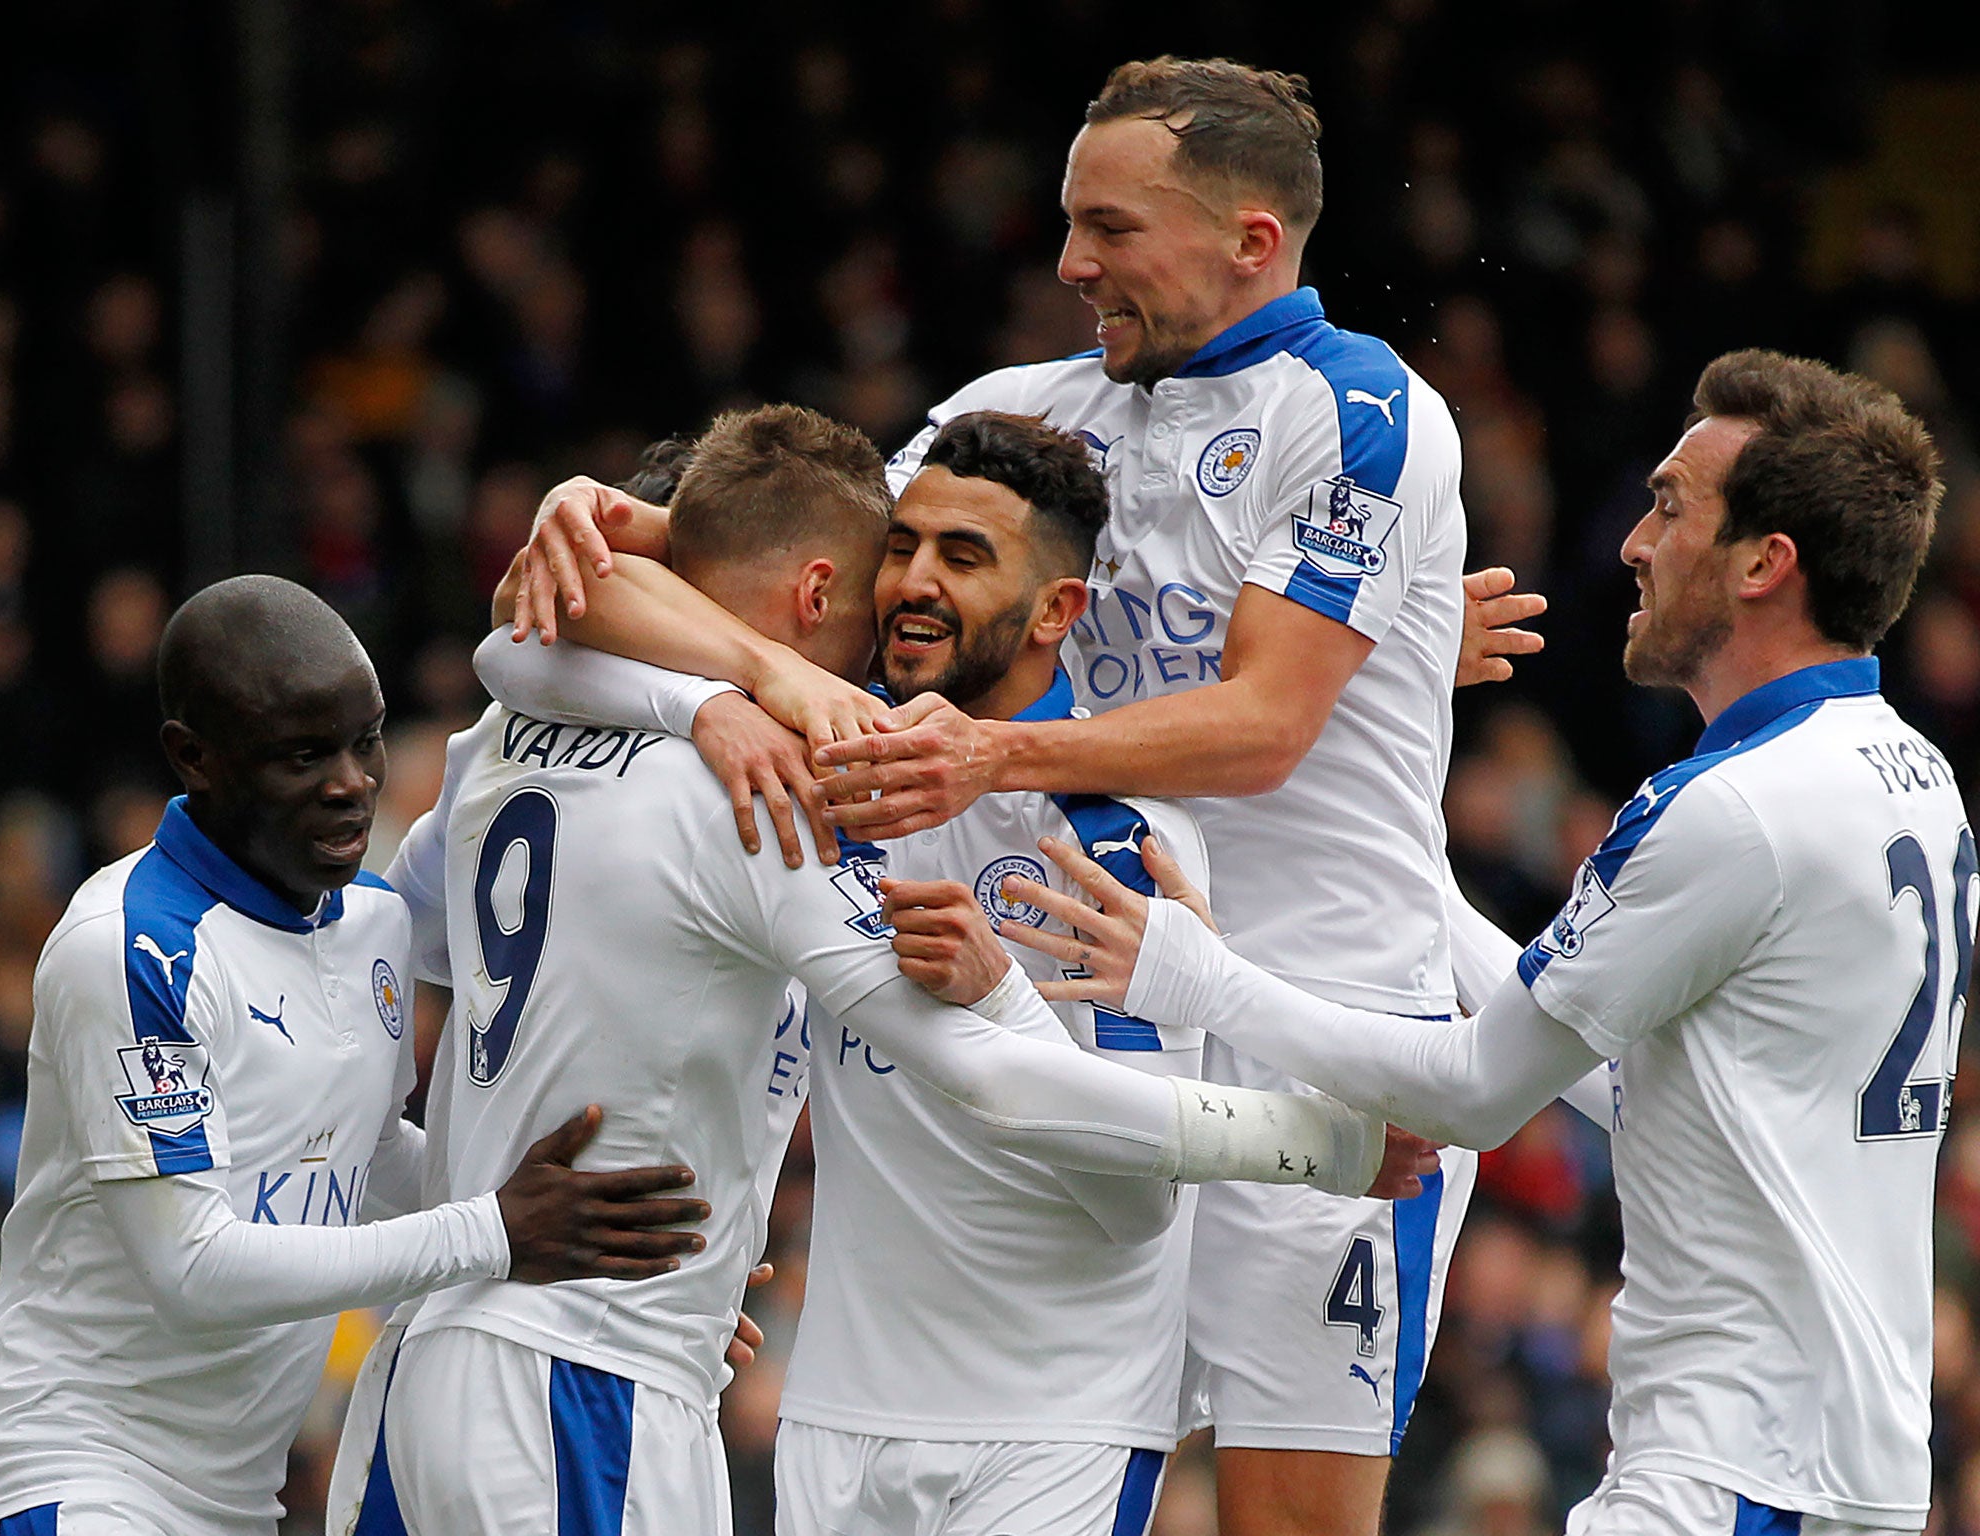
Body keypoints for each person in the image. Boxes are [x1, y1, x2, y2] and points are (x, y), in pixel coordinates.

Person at [506, 57, 1541, 1536]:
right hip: (1058, 1000)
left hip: (1311, 1032)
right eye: (1070, 223)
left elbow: (1260, 727)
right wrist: (736, 665)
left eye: (1113, 228)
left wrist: (993, 754)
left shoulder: (1367, 411)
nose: (1071, 263)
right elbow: (688, 577)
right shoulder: (1020, 416)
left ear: (1252, 240)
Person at [345, 405, 1412, 1536]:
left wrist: (472, 1226)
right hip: (614, 1380)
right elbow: (997, 1079)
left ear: (1056, 608)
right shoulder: (779, 787)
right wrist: (1326, 1142)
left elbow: (515, 647)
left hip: (1026, 1429)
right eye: (892, 555)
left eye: (959, 556)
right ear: (816, 591)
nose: (903, 589)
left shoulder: (517, 733)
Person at [1009, 350, 1952, 1536]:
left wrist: (1197, 975)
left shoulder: (1726, 812)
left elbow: (1470, 1091)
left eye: (1668, 508)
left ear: (1764, 565)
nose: (1631, 542)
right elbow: (1645, 1080)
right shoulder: (1907, 774)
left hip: (1732, 1472)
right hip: (1843, 1461)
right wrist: (1381, 722)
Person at [0, 575, 715, 1536]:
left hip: (238, 1496)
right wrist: (498, 1231)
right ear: (195, 758)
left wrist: (599, 1243)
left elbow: (368, 1153)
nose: (352, 781)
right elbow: (196, 1267)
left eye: (366, 739)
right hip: (68, 1467)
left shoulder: (377, 924)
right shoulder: (132, 948)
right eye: (304, 754)